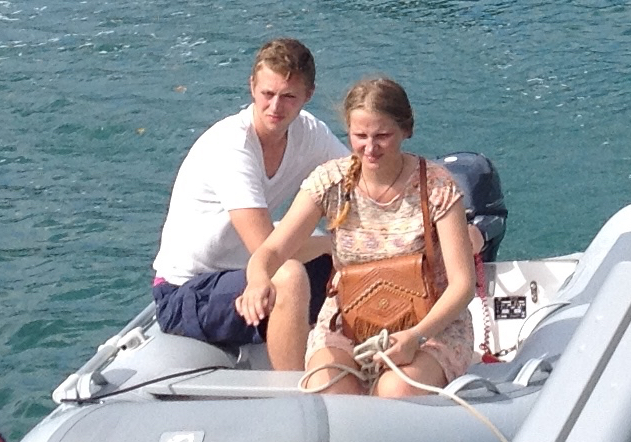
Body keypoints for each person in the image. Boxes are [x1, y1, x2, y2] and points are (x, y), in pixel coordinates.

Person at [236, 75, 475, 399]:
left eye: (382, 136)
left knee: (395, 390)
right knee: (328, 387)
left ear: (405, 130)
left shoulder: (437, 187)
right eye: (360, 136)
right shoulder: (330, 182)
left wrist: (416, 337)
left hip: (430, 327)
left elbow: (462, 285)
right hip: (347, 322)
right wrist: (258, 279)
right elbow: (272, 251)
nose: (370, 148)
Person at [150, 38, 346, 370]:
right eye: (267, 94)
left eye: (288, 97)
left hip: (245, 273)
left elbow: (360, 180)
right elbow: (266, 251)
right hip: (188, 291)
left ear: (307, 96)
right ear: (252, 86)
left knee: (360, 262)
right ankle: (294, 391)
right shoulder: (232, 146)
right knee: (289, 276)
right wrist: (335, 244)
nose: (275, 107)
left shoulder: (309, 133)